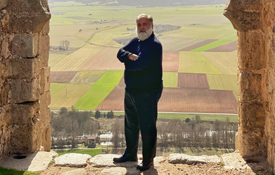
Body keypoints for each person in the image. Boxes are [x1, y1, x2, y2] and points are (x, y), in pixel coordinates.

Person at [113, 13, 163, 171]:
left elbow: (138, 65)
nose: (141, 28)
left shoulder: (154, 45)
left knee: (147, 126)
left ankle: (148, 160)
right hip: (131, 91)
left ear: (151, 26)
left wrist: (128, 62)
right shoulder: (136, 42)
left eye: (144, 25)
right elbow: (119, 53)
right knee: (130, 124)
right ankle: (130, 154)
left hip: (147, 92)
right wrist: (129, 56)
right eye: (139, 25)